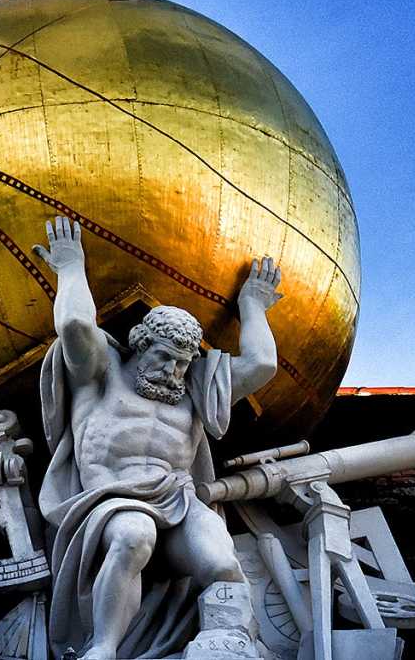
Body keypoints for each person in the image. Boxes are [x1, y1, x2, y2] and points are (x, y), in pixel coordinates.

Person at [33, 217, 282, 659]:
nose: (172, 372)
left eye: (182, 363)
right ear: (140, 345)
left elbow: (261, 366)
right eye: (164, 358)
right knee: (134, 535)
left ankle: (226, 644)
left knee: (222, 562)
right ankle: (104, 647)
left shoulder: (193, 391)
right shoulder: (100, 375)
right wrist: (71, 267)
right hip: (112, 498)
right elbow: (73, 325)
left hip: (179, 497)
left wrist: (253, 305)